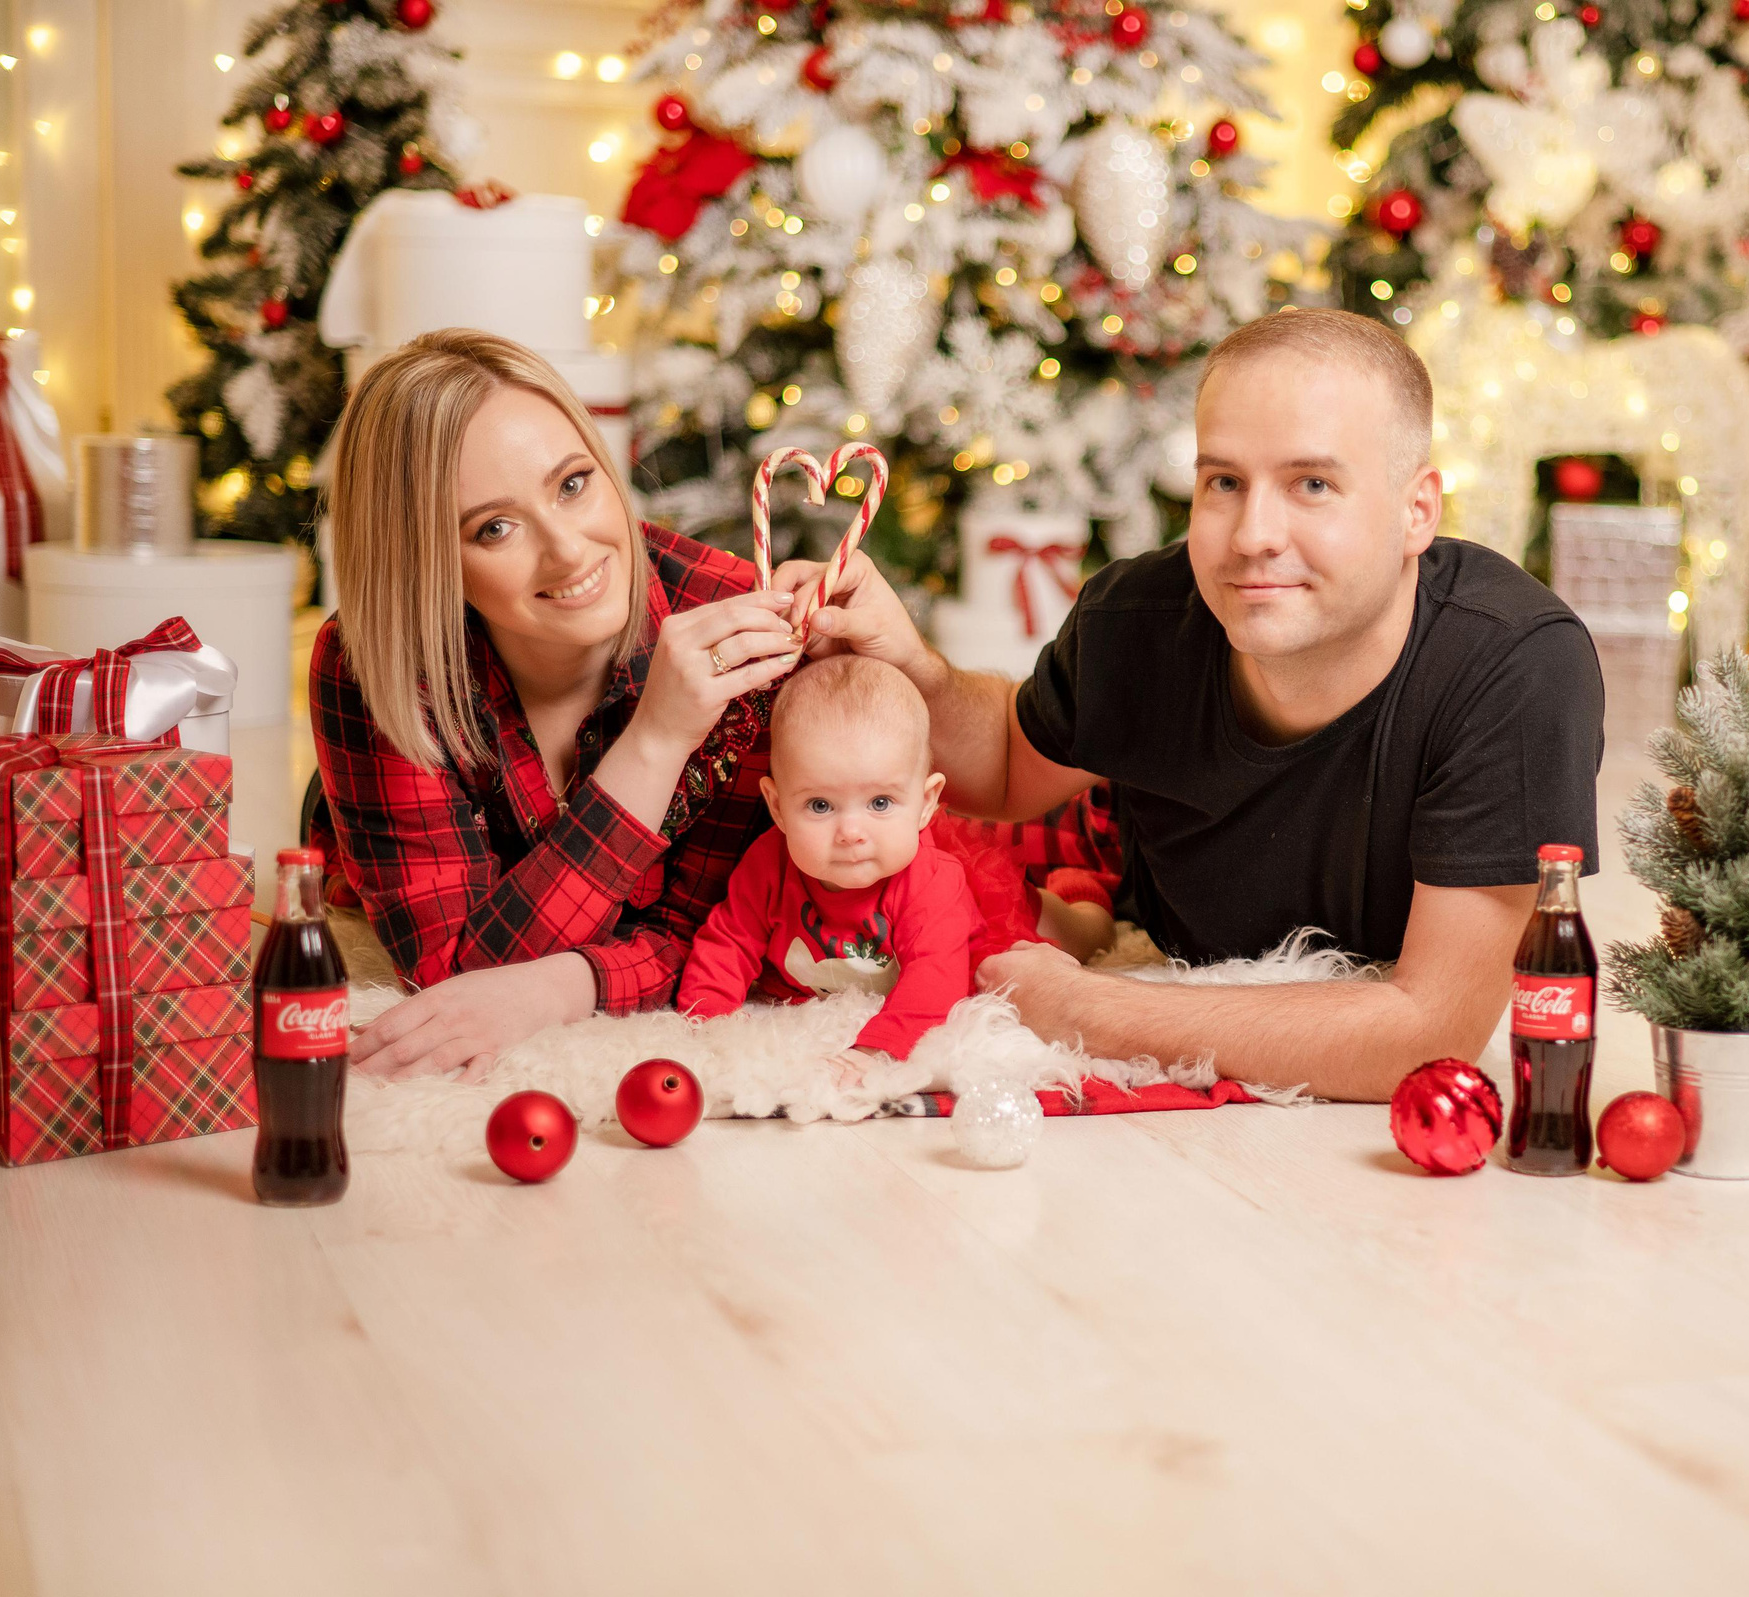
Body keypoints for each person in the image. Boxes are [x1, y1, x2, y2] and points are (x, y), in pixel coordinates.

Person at [805, 308, 1606, 1101]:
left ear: (1416, 511)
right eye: (1224, 481)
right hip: (1127, 861)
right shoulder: (1137, 617)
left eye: (1312, 484)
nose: (1253, 534)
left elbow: (1427, 1034)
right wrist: (910, 663)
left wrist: (1085, 1006)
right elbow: (1012, 768)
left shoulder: (1517, 666)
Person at [313, 330, 837, 1081]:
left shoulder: (738, 636)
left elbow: (711, 932)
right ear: (427, 563)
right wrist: (655, 741)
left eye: (571, 484)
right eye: (494, 527)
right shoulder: (377, 663)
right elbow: (452, 974)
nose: (568, 550)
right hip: (402, 822)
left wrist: (560, 984)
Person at [675, 655, 1108, 1073]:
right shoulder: (768, 865)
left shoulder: (933, 884)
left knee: (1074, 934)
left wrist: (874, 1051)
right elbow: (727, 943)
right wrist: (710, 1021)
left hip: (985, 917)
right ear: (777, 806)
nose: (851, 831)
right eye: (820, 805)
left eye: (879, 802)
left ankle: (1086, 895)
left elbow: (935, 980)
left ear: (925, 804)